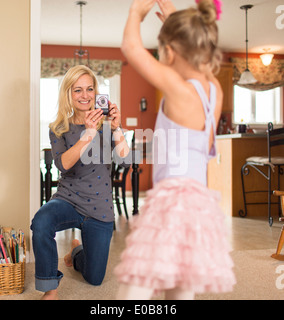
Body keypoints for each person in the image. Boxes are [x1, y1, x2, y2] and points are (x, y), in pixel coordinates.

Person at [114, 0, 236, 300]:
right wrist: (177, 23)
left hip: (173, 200)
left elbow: (131, 48)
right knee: (181, 285)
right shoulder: (214, 92)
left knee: (136, 286)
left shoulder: (176, 87)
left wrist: (135, 13)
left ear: (169, 52)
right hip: (200, 205)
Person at [31, 65, 130, 300]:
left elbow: (125, 163)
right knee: (41, 221)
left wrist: (117, 130)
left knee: (95, 279)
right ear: (68, 93)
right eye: (78, 90)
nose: (85, 95)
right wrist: (88, 133)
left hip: (100, 207)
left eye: (89, 89)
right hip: (68, 200)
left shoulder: (108, 124)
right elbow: (63, 164)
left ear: (96, 92)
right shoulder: (58, 128)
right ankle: (50, 289)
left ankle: (76, 251)